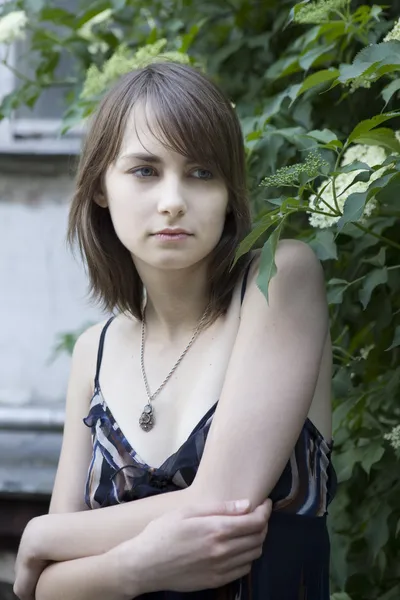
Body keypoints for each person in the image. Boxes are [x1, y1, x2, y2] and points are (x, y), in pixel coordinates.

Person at [14, 61, 336, 600]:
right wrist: (132, 570)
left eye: (201, 172)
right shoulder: (93, 353)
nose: (173, 200)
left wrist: (44, 534)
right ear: (100, 186)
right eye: (144, 170)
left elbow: (220, 500)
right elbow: (46, 588)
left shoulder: (280, 277)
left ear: (229, 192)